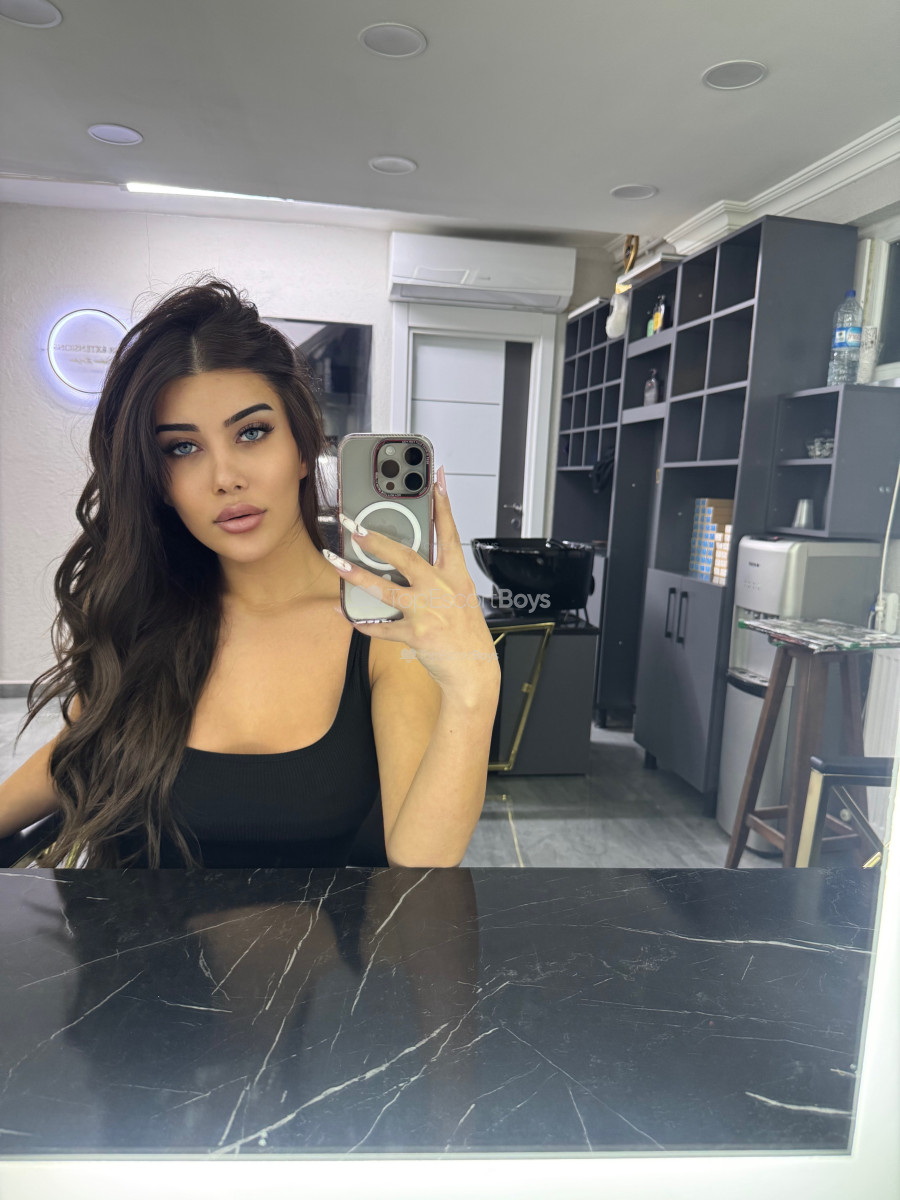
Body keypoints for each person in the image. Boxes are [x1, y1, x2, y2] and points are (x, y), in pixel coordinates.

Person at [0, 277, 501, 867]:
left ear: (301, 448)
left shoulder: (380, 632)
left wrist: (474, 687)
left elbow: (420, 865)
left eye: (252, 433)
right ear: (157, 481)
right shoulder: (142, 619)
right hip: (125, 931)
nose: (225, 477)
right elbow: (77, 757)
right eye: (182, 448)